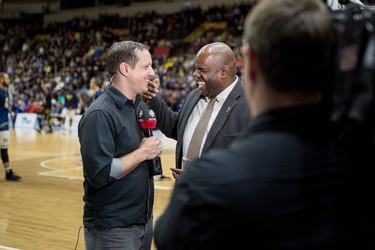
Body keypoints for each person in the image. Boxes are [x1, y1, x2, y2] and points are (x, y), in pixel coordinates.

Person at [154, 0, 375, 249]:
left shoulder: (205, 187)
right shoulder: (359, 163)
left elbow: (167, 237)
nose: (195, 75)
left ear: (250, 64)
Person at [78, 41, 161, 250]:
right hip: (113, 231)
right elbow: (100, 173)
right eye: (146, 66)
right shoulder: (100, 114)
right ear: (125, 69)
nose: (152, 72)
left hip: (142, 223)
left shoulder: (136, 106)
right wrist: (142, 153)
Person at [144, 42, 251, 179]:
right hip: (187, 196)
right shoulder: (194, 96)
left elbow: (257, 164)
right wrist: (152, 98)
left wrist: (205, 177)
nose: (195, 74)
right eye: (196, 69)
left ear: (224, 72)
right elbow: (176, 127)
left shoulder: (249, 104)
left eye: (202, 70)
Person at [0, 72, 21, 181]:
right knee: (3, 149)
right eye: (7, 78)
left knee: (4, 149)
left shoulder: (4, 92)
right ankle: (8, 172)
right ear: (1, 80)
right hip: (1, 124)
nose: (9, 80)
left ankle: (8, 172)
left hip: (4, 124)